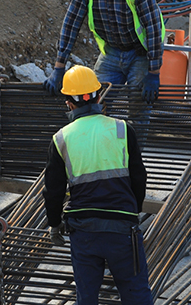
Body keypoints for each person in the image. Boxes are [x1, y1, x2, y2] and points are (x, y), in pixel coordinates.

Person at [43, 65, 152, 305]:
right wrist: (130, 210)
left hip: (84, 233)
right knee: (136, 294)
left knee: (87, 298)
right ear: (98, 96)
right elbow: (139, 179)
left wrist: (54, 224)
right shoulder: (123, 130)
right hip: (122, 231)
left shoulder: (61, 138)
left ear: (68, 103)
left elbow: (53, 191)